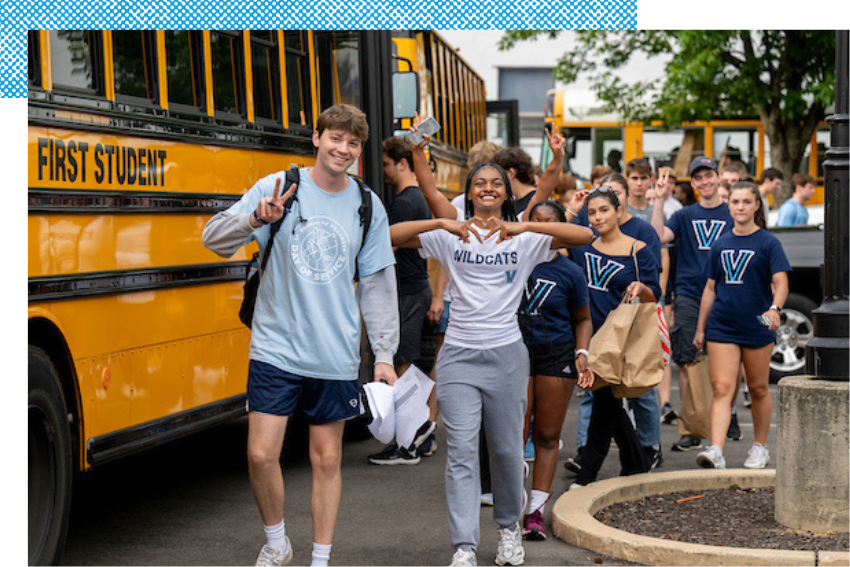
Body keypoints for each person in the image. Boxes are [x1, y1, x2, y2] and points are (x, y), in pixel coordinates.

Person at [202, 104, 398, 567]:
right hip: (276, 347)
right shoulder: (278, 186)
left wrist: (384, 355)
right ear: (317, 138)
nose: (343, 149)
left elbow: (377, 283)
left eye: (353, 143)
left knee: (327, 461)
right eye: (335, 138)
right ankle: (277, 543)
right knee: (260, 455)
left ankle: (320, 560)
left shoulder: (367, 204)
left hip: (334, 352)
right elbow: (212, 238)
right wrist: (255, 220)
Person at [393, 126, 594, 567]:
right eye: (479, 183)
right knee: (462, 453)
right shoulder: (452, 232)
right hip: (459, 357)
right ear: (469, 192)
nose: (488, 188)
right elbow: (391, 235)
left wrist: (525, 224)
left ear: (506, 192)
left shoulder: (523, 236)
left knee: (506, 451)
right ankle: (464, 546)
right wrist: (440, 221)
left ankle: (508, 530)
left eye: (496, 183)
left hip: (506, 356)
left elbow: (584, 237)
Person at [563, 173, 664, 472]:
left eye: (604, 210)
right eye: (592, 212)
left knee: (606, 398)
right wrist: (571, 210)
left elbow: (654, 294)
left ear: (619, 211)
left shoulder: (638, 249)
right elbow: (553, 240)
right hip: (586, 334)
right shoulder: (583, 244)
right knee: (604, 399)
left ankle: (591, 467)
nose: (597, 217)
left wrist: (641, 288)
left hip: (620, 336)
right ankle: (631, 464)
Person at [693, 181, 791, 469]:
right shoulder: (720, 243)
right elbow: (710, 288)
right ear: (729, 205)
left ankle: (760, 447)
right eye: (735, 202)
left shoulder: (768, 242)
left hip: (757, 326)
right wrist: (701, 328)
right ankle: (716, 450)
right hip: (722, 326)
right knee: (722, 389)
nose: (740, 207)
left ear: (757, 205)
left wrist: (775, 309)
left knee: (758, 388)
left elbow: (781, 282)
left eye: (747, 202)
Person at [519, 200, 593, 541]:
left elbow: (583, 318)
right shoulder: (512, 260)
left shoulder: (571, 272)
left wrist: (582, 352)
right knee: (514, 434)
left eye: (549, 223)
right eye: (534, 222)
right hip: (514, 353)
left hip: (556, 355)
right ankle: (512, 500)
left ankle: (535, 512)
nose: (541, 229)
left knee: (547, 435)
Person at [650, 156, 733, 453]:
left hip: (727, 295)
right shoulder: (684, 215)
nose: (704, 181)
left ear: (718, 177)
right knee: (687, 359)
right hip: (689, 294)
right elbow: (658, 236)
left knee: (727, 361)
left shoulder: (732, 211)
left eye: (709, 175)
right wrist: (659, 201)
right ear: (693, 183)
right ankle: (692, 426)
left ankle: (728, 416)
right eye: (698, 178)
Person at [367, 136, 436, 466]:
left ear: (403, 163)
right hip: (416, 287)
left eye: (385, 164)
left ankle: (407, 442)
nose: (382, 170)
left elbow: (386, 248)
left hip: (406, 290)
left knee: (403, 366)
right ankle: (421, 437)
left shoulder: (403, 205)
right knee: (410, 363)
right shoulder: (418, 199)